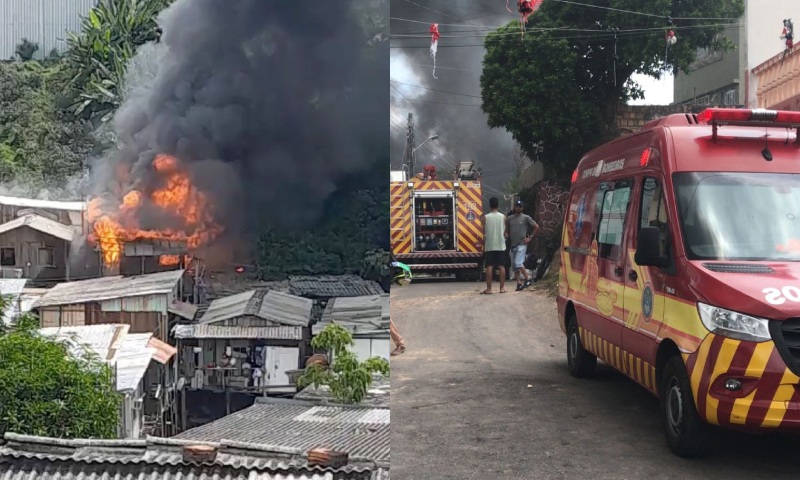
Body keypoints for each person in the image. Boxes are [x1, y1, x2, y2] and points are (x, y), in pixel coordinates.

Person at [507, 199, 540, 291]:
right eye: (517, 206)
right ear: (515, 207)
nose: (518, 208)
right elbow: (507, 229)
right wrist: (506, 234)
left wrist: (530, 237)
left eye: (520, 206)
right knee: (514, 266)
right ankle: (518, 283)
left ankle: (528, 279)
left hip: (522, 244)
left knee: (518, 262)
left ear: (522, 208)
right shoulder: (510, 218)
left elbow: (536, 226)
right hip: (513, 244)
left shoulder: (526, 217)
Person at [481, 197, 508, 294]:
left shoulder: (485, 218)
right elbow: (505, 231)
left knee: (489, 266)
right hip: (501, 245)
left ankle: (489, 289)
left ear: (489, 205)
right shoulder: (503, 217)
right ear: (498, 205)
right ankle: (502, 288)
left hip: (490, 245)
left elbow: (484, 232)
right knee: (501, 266)